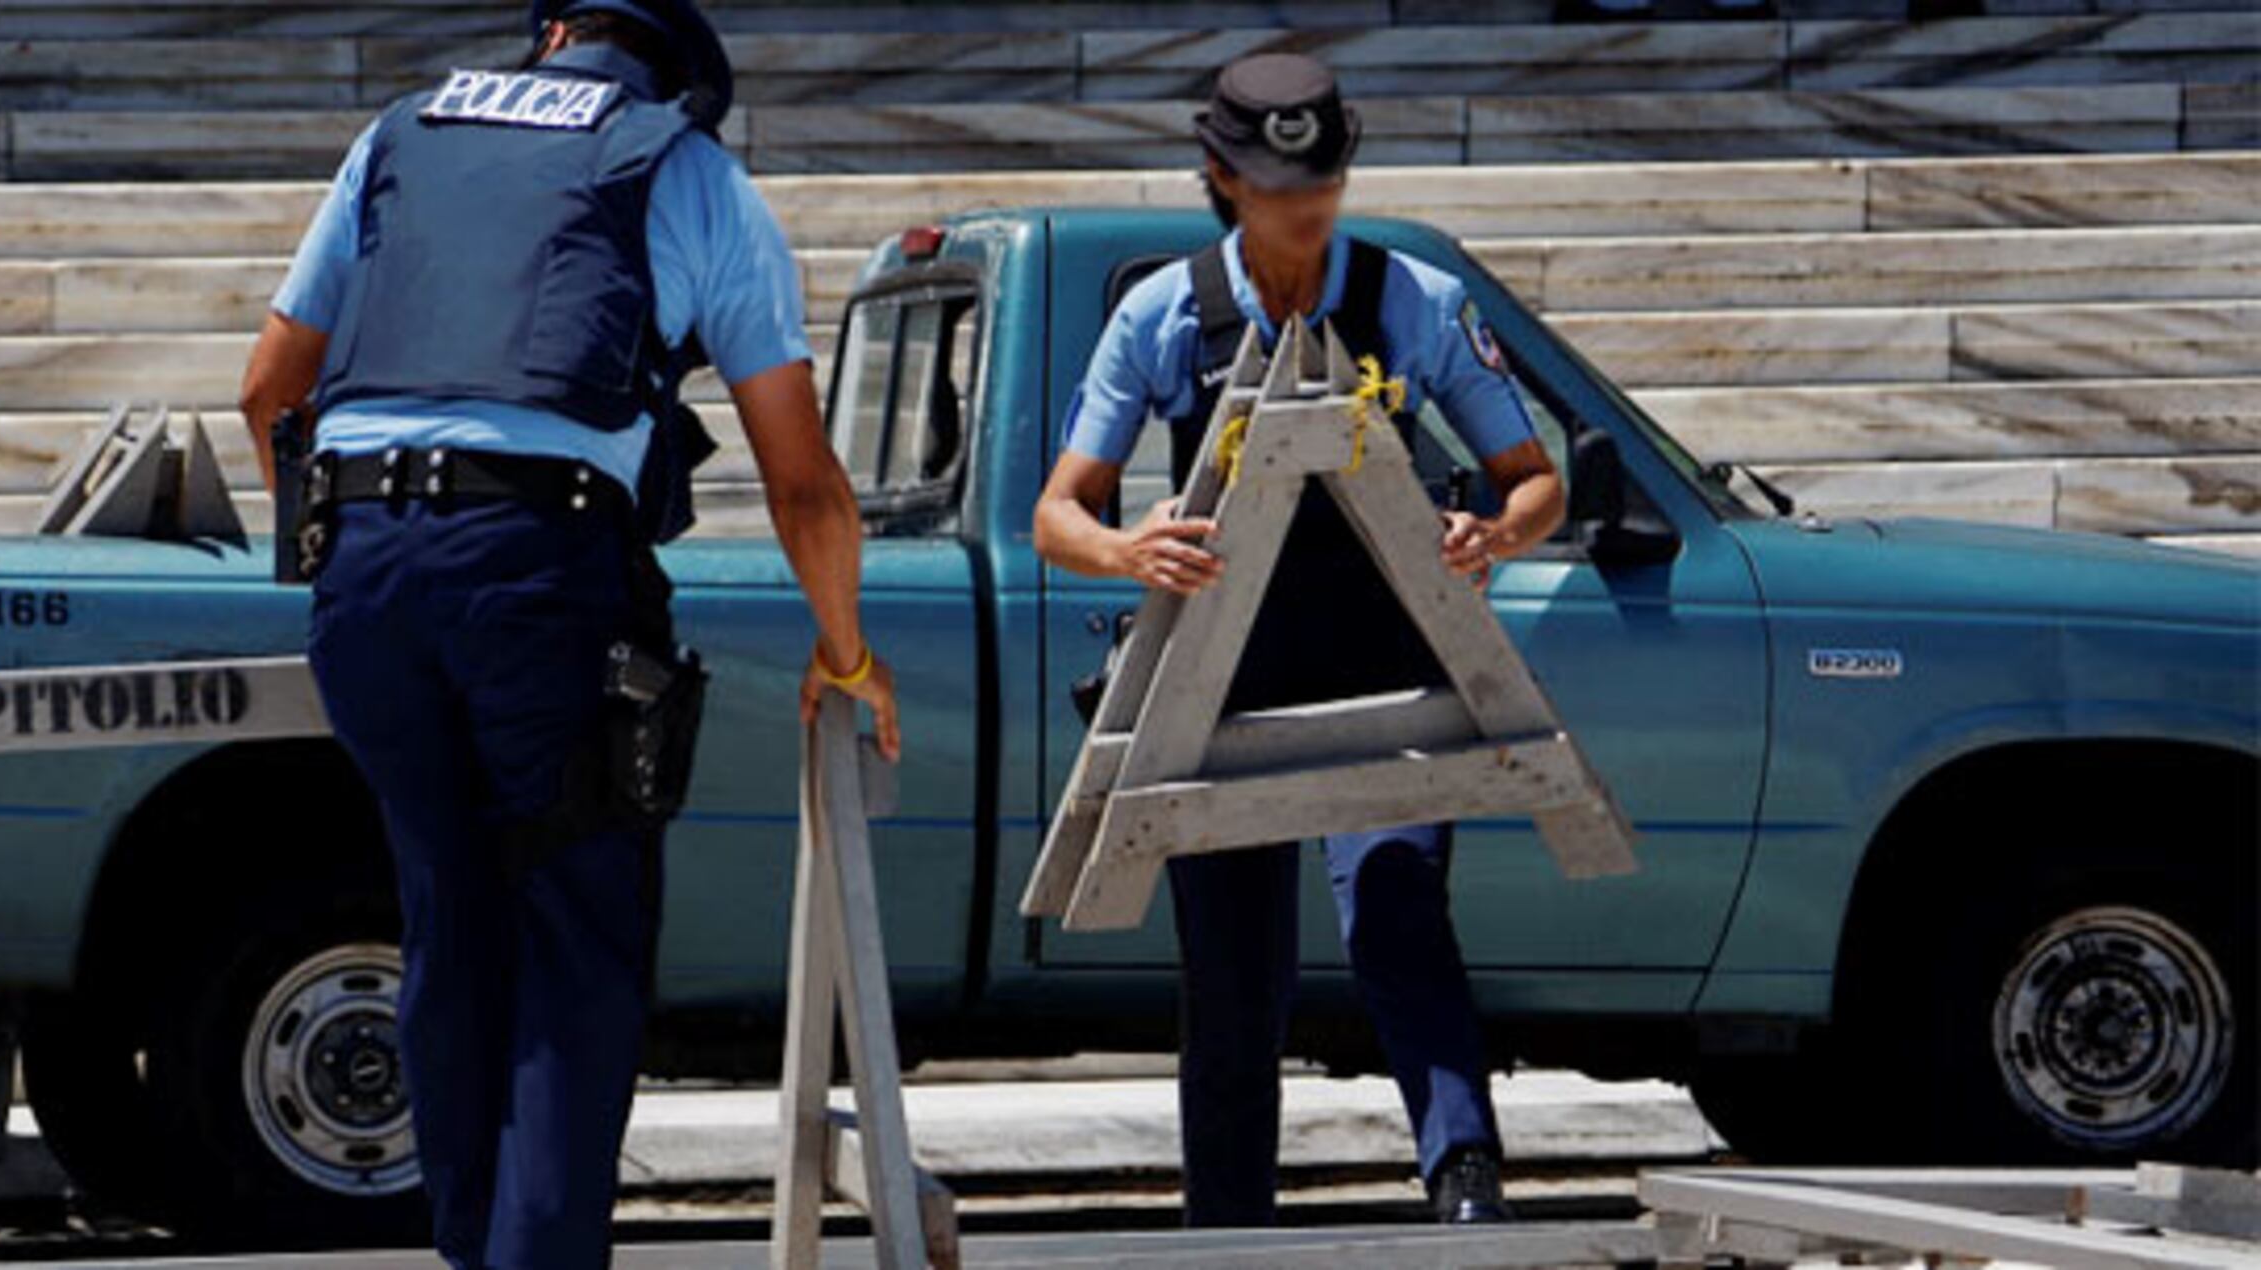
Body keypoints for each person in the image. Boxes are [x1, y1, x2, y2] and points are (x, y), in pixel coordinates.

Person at [237, 2, 900, 1264]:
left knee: (446, 915)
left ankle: (468, 1244)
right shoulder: (688, 171)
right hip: (539, 573)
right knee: (572, 932)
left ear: (547, 36)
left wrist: (342, 557)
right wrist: (846, 654)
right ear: (674, 79)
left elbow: (268, 389)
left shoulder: (401, 132)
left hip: (365, 574)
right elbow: (802, 477)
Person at [1031, 52, 1567, 1228]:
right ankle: (1227, 1223)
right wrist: (1129, 550)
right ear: (1223, 179)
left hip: (1389, 650)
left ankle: (1465, 1176)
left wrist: (1493, 534)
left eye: (1324, 174)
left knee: (1394, 907)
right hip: (1221, 674)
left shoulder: (1411, 298)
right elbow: (1057, 513)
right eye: (1281, 182)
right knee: (1232, 972)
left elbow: (1536, 484)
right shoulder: (1163, 312)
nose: (1310, 203)